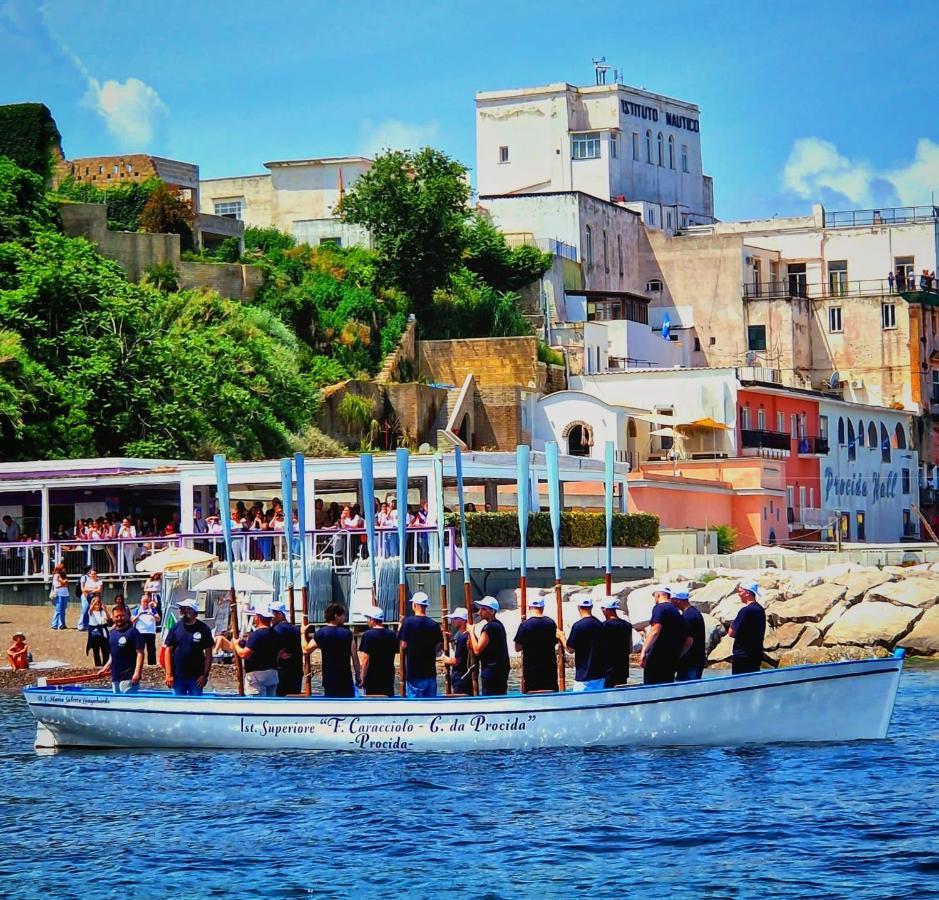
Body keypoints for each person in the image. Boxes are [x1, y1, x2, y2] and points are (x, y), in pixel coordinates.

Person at [304, 602, 360, 698]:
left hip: (329, 678)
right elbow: (355, 658)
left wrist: (302, 634)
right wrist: (358, 676)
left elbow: (306, 650)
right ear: (336, 616)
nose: (344, 618)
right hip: (345, 679)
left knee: (331, 706)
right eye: (343, 615)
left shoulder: (321, 633)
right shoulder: (348, 634)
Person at [162, 598, 213, 695]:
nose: (180, 610)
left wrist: (205, 675)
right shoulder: (175, 627)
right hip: (177, 677)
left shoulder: (203, 628)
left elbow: (209, 653)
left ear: (192, 611)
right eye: (180, 608)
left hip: (196, 678)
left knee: (196, 706)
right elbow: (168, 651)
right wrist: (168, 674)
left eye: (183, 608)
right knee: (177, 706)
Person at [513, 596, 564, 693]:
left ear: (529, 607)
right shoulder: (551, 623)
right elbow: (555, 641)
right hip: (549, 671)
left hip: (531, 672)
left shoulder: (525, 625)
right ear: (543, 607)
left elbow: (517, 647)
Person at [397, 592, 443, 697]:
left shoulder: (407, 623)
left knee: (415, 706)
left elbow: (403, 645)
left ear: (414, 605)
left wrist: (400, 627)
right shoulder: (434, 624)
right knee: (431, 707)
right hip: (430, 672)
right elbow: (439, 645)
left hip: (414, 672)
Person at [230, 604, 281, 696]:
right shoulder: (276, 634)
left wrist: (235, 645)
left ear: (257, 617)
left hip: (257, 675)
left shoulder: (256, 635)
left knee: (256, 704)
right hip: (272, 673)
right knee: (271, 705)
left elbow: (244, 654)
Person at [640, 586, 686, 685]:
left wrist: (644, 650)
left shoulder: (660, 608)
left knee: (651, 686)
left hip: (658, 657)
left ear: (658, 594)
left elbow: (655, 630)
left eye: (654, 596)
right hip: (671, 657)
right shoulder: (676, 611)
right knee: (667, 685)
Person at [467, 596, 510, 696]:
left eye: (483, 609)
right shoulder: (498, 625)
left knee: (491, 697)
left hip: (492, 671)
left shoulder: (490, 628)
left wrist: (471, 632)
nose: (479, 612)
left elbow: (477, 650)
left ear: (491, 611)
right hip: (500, 670)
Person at [100, 605, 144, 693]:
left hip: (129, 677)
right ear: (113, 618)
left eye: (122, 616)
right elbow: (113, 655)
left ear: (127, 616)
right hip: (115, 676)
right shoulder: (112, 634)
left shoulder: (133, 632)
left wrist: (137, 673)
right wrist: (105, 667)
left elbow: (140, 653)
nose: (119, 618)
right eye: (117, 616)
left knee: (129, 704)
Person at [566, 596, 607, 691]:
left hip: (583, 676)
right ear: (591, 607)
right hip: (599, 675)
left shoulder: (578, 626)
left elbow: (570, 649)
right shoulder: (600, 625)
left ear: (579, 607)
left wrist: (561, 637)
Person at [729, 580, 766, 675]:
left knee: (739, 685)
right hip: (756, 654)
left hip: (742, 655)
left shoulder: (745, 611)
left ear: (747, 593)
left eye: (740, 591)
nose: (738, 594)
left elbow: (731, 632)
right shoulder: (760, 610)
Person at [358, 606, 398, 697]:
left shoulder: (368, 635)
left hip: (372, 675)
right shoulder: (392, 635)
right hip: (388, 674)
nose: (367, 621)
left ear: (372, 619)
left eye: (368, 618)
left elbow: (365, 658)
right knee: (388, 699)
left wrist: (362, 675)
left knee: (371, 699)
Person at [671, 589, 706, 681]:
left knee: (686, 688)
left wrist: (679, 656)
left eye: (672, 600)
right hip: (697, 659)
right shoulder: (694, 612)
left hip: (691, 661)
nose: (670, 602)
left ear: (677, 600)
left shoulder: (688, 616)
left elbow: (689, 640)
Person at [271, 600, 303, 696]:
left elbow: (273, 647)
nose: (270, 618)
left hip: (281, 671)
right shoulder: (295, 629)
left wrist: (277, 654)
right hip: (296, 670)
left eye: (272, 614)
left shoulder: (277, 629)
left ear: (280, 614)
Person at [599, 597, 632, 688]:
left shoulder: (603, 626)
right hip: (623, 669)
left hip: (607, 669)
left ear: (605, 609)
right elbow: (630, 648)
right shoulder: (627, 625)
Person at [441, 608, 472, 695]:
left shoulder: (462, 638)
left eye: (455, 618)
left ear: (462, 620)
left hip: (461, 678)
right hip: (465, 677)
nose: (452, 620)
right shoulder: (465, 636)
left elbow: (456, 661)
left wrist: (446, 659)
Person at [132, 593, 161, 666]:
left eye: (147, 601)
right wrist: (139, 614)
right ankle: (137, 664)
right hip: (140, 632)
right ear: (141, 601)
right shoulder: (137, 609)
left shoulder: (152, 609)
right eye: (144, 601)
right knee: (139, 649)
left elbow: (158, 619)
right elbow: (132, 620)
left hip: (150, 632)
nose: (145, 603)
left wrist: (152, 614)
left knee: (151, 649)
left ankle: (152, 665)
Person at [85, 596, 110, 667]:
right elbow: (90, 610)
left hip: (103, 631)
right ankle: (98, 665)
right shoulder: (91, 612)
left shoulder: (102, 612)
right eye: (96, 604)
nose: (97, 605)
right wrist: (95, 601)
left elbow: (108, 618)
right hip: (94, 632)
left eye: (98, 604)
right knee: (96, 650)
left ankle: (105, 664)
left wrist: (105, 610)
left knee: (105, 649)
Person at [78, 567, 102, 631]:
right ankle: (81, 625)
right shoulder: (86, 579)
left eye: (94, 574)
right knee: (85, 611)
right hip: (87, 597)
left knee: (96, 611)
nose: (93, 575)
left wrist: (90, 590)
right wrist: (94, 589)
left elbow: (99, 589)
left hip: (95, 598)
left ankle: (95, 624)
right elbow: (84, 589)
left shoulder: (99, 581)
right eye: (92, 574)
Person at [50, 563, 69, 630]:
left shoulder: (63, 575)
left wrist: (63, 583)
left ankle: (62, 624)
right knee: (58, 609)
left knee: (63, 610)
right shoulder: (56, 575)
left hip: (65, 593)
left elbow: (66, 583)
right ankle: (54, 624)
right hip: (58, 593)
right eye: (62, 568)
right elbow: (58, 585)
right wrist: (63, 583)